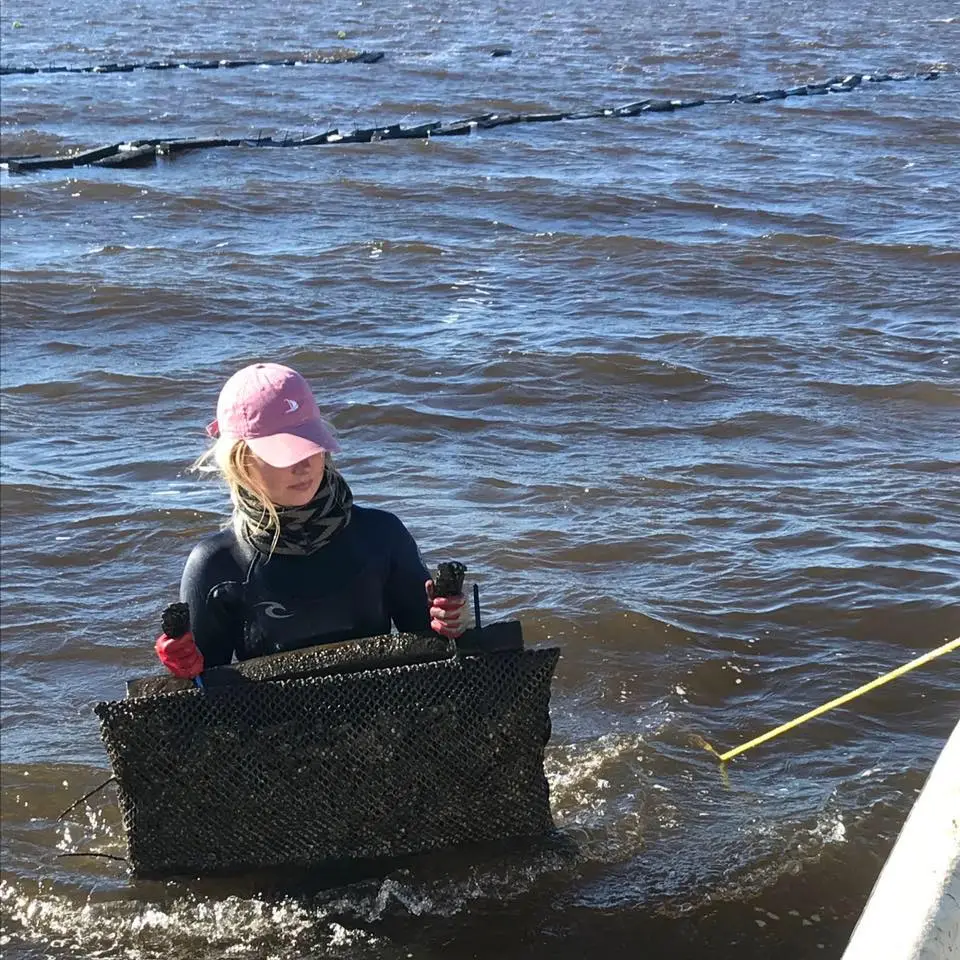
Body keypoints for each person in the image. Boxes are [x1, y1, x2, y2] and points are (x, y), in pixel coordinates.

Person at [174, 361, 467, 670]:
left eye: (309, 446)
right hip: (273, 718)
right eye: (284, 452)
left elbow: (434, 654)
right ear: (240, 461)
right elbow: (202, 692)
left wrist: (450, 623)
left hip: (382, 711)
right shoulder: (216, 566)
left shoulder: (382, 535)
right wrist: (185, 668)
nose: (303, 465)